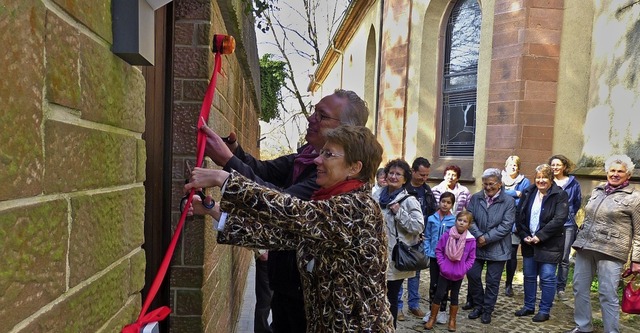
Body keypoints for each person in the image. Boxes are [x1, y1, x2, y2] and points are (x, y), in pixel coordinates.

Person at [187, 125, 394, 332]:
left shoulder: (358, 208)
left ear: (354, 168)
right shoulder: (330, 203)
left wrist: (225, 179)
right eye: (321, 152)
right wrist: (213, 209)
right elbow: (274, 235)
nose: (317, 160)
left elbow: (291, 210)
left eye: (328, 154)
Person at [565, 154, 640, 333]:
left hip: (611, 251)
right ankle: (583, 326)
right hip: (586, 246)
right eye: (612, 170)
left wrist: (637, 259)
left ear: (628, 175)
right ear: (607, 172)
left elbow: (639, 232)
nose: (615, 174)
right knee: (579, 288)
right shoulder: (598, 190)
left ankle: (611, 331)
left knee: (607, 294)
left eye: (620, 171)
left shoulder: (635, 198)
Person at [372, 158, 424, 328]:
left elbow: (418, 226)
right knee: (376, 297)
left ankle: (389, 328)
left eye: (398, 174)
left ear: (404, 179)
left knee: (391, 298)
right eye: (391, 173)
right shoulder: (377, 195)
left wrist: (399, 213)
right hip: (375, 255)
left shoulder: (409, 200)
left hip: (395, 258)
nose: (393, 176)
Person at [513, 164, 568, 323]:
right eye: (538, 177)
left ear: (551, 179)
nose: (541, 180)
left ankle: (544, 310)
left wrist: (540, 236)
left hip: (549, 244)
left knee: (547, 277)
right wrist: (524, 235)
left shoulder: (560, 195)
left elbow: (559, 219)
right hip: (529, 242)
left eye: (544, 177)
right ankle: (529, 306)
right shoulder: (528, 192)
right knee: (529, 276)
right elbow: (519, 215)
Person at [465, 168, 516, 324]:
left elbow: (506, 226)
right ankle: (478, 305)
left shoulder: (508, 201)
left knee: (493, 281)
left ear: (499, 184)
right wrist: (479, 235)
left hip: (498, 248)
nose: (488, 187)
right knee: (472, 275)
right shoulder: (476, 198)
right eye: (485, 184)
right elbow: (469, 219)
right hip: (477, 246)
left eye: (491, 184)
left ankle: (487, 310)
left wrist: (486, 238)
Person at [397, 157, 438, 320]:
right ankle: (398, 307)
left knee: (415, 272)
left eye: (427, 175)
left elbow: (432, 214)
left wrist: (426, 234)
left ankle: (413, 305)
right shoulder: (402, 189)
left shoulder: (427, 191)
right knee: (399, 271)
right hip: (402, 238)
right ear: (413, 172)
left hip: (420, 239)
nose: (424, 178)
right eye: (421, 174)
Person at [425, 211, 476, 332]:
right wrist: (443, 265)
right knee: (438, 294)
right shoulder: (448, 235)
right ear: (456, 221)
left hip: (458, 274)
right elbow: (439, 250)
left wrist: (464, 268)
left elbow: (471, 258)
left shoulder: (470, 240)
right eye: (460, 220)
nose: (461, 223)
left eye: (465, 221)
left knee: (454, 296)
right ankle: (432, 317)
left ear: (468, 225)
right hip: (445, 272)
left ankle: (452, 320)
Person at [548, 154, 582, 301]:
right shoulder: (547, 182)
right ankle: (547, 283)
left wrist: (568, 214)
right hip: (549, 224)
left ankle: (560, 288)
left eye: (558, 165)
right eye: (553, 165)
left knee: (564, 257)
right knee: (549, 255)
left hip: (568, 225)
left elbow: (577, 202)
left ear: (564, 167)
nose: (555, 167)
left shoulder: (574, 183)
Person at [423, 192, 457, 325]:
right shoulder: (432, 218)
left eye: (448, 202)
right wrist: (427, 249)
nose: (445, 204)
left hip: (446, 258)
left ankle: (442, 311)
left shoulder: (454, 221)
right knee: (433, 284)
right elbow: (427, 236)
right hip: (433, 256)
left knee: (444, 285)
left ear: (452, 205)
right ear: (439, 202)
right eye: (443, 201)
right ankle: (431, 310)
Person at [501, 155, 531, 297]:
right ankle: (494, 282)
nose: (512, 167)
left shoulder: (524, 182)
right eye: (510, 164)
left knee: (512, 255)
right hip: (499, 221)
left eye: (515, 165)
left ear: (518, 167)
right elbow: (497, 194)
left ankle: (508, 284)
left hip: (514, 223)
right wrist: (514, 193)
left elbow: (523, 200)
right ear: (505, 166)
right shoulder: (499, 178)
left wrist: (511, 196)